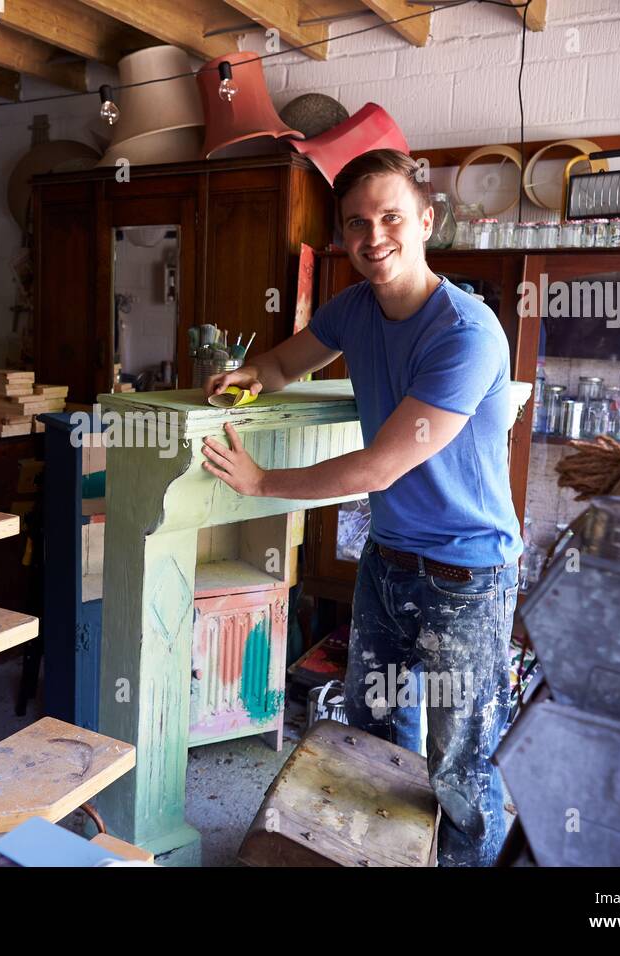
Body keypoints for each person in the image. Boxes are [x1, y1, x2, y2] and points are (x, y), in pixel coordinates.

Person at [200, 148, 522, 866]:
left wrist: (261, 485)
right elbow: (285, 363)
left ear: (426, 221)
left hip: (466, 575)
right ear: (341, 238)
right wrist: (250, 375)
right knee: (374, 740)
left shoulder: (465, 333)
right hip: (389, 559)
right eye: (356, 224)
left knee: (460, 770)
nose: (373, 237)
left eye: (390, 217)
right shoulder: (352, 307)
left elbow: (382, 463)